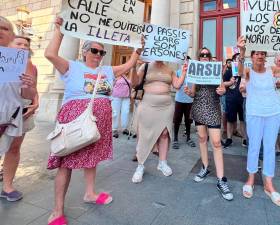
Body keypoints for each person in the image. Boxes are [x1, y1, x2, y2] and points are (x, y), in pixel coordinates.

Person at [44, 17, 141, 225]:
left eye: (102, 52)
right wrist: (59, 30)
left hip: (99, 122)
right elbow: (50, 54)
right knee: (65, 162)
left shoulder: (107, 71)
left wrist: (137, 47)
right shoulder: (72, 67)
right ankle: (57, 209)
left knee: (92, 158)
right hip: (75, 120)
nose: (98, 55)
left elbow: (131, 63)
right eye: (95, 51)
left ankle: (90, 193)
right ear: (84, 52)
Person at [237, 36, 280, 206]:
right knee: (254, 146)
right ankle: (251, 179)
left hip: (272, 114)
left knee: (269, 148)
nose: (260, 56)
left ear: (266, 56)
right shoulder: (247, 71)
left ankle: (269, 184)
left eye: (263, 53)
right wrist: (242, 51)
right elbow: (240, 72)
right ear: (252, 56)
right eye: (257, 54)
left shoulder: (272, 70)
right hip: (254, 113)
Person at [184, 47, 233, 201]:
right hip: (198, 106)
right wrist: (188, 92)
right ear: (199, 57)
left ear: (210, 57)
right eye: (202, 54)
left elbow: (221, 89)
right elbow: (193, 92)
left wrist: (222, 91)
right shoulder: (195, 70)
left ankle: (221, 180)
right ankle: (205, 167)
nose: (204, 56)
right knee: (202, 139)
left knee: (217, 142)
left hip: (212, 107)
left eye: (207, 54)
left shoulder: (215, 70)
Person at [131, 56, 187, 183]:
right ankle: (140, 166)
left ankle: (162, 163)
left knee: (164, 134)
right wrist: (133, 66)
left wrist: (183, 72)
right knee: (144, 135)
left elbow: (177, 85)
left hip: (166, 106)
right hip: (147, 104)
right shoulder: (145, 66)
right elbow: (134, 83)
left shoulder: (170, 69)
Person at [0, 17, 36, 199]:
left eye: (4, 28)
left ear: (11, 35)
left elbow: (28, 95)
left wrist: (30, 86)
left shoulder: (24, 63)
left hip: (13, 114)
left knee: (13, 149)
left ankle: (7, 186)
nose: (0, 30)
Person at [223, 53, 246, 148]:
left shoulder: (245, 72)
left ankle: (245, 139)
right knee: (230, 120)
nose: (239, 60)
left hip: (243, 99)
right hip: (231, 99)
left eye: (241, 59)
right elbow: (223, 83)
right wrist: (230, 82)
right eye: (237, 59)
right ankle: (229, 139)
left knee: (243, 120)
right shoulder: (229, 72)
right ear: (233, 61)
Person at [172, 56, 196, 149]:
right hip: (179, 99)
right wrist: (183, 74)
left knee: (188, 120)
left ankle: (188, 138)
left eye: (188, 61)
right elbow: (176, 86)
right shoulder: (178, 72)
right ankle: (175, 139)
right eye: (184, 61)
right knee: (177, 119)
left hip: (189, 100)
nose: (186, 62)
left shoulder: (193, 73)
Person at [111, 70, 132, 138]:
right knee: (115, 113)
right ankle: (114, 129)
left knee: (126, 112)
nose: (125, 71)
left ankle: (124, 128)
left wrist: (130, 94)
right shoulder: (116, 76)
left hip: (126, 97)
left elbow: (131, 86)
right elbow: (111, 85)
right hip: (116, 97)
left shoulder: (128, 77)